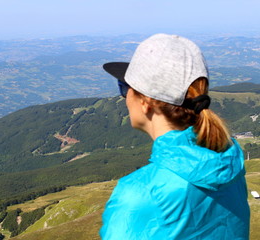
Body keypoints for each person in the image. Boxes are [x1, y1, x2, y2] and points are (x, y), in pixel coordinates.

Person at [100, 34, 250, 239]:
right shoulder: (231, 164)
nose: (124, 97)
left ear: (145, 101)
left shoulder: (138, 193)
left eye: (125, 88)